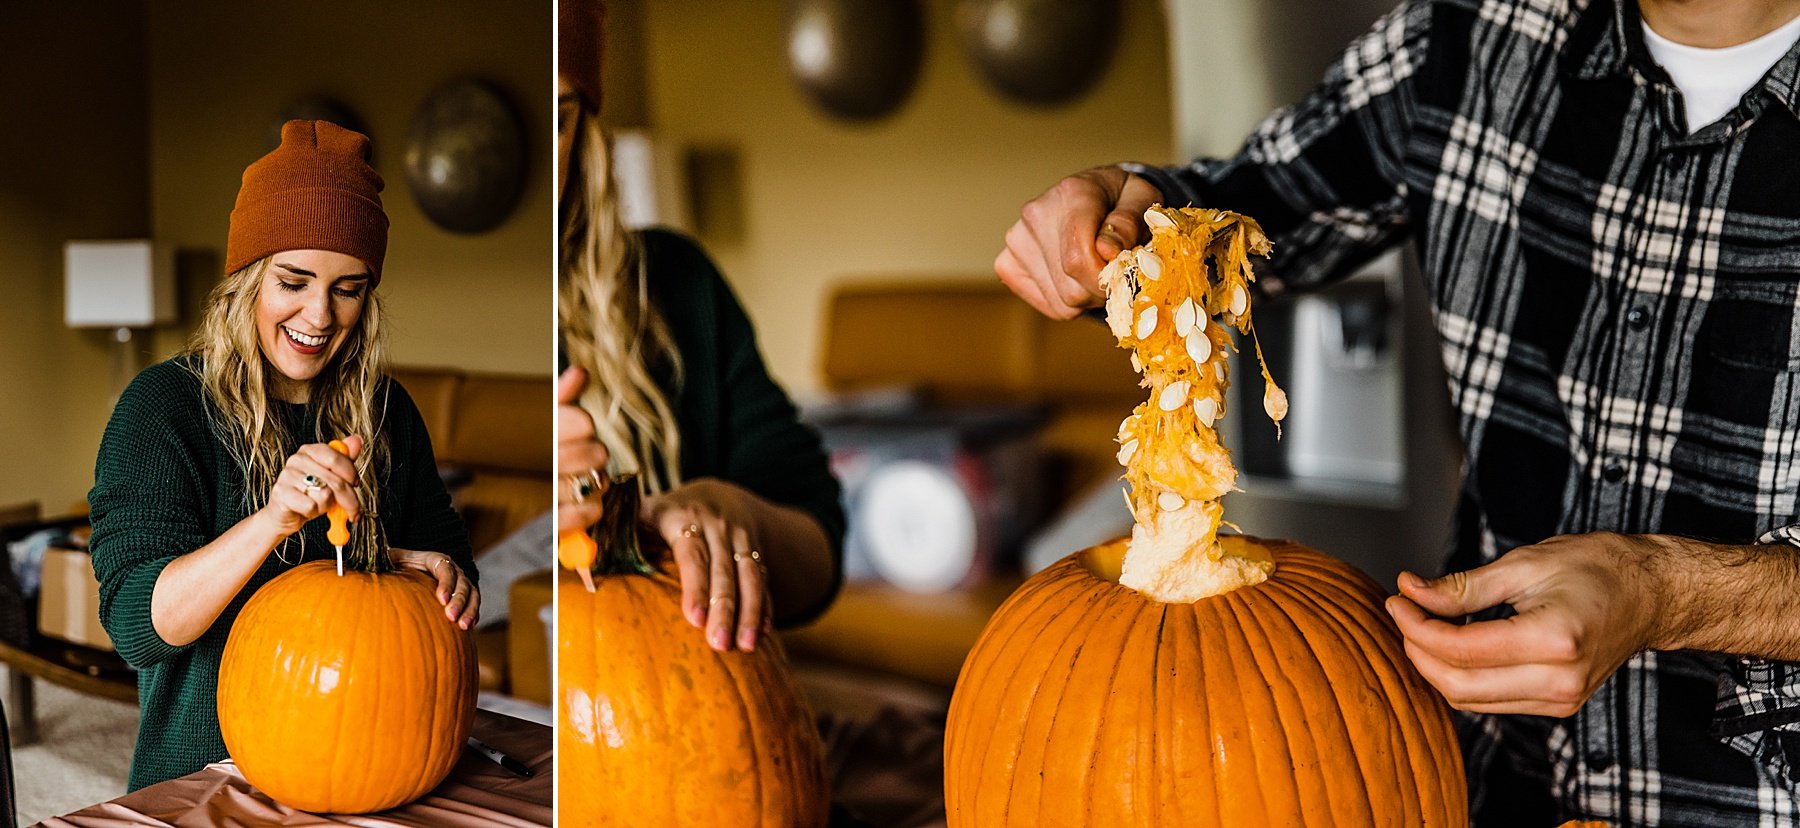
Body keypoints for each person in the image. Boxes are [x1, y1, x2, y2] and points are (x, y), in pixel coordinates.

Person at [997, 0, 1800, 822]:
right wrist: (1124, 219)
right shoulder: (1465, 39)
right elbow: (1245, 209)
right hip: (1488, 785)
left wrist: (1668, 592)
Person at [88, 120, 479, 791]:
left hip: (376, 777)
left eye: (347, 288)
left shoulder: (388, 413)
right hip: (204, 779)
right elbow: (138, 626)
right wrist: (272, 520)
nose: (319, 314)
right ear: (247, 280)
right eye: (293, 282)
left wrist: (422, 573)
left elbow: (456, 576)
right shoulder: (163, 408)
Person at [555, 0, 844, 653]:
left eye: (560, 119)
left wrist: (729, 510)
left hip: (693, 703)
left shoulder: (677, 281)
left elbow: (820, 551)